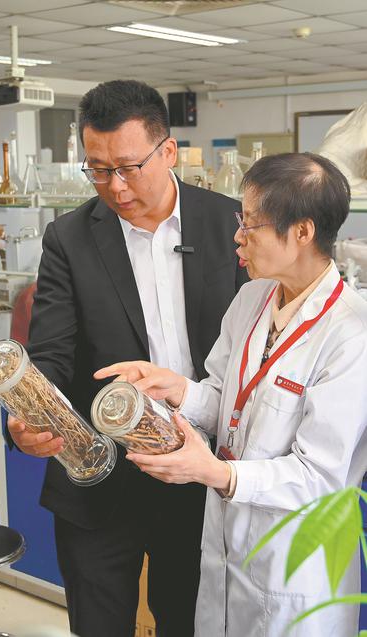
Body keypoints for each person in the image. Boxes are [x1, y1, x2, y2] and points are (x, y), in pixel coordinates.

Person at [7, 79, 248, 637]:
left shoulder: (230, 224)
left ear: (168, 152)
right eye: (96, 169)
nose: (113, 187)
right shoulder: (68, 237)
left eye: (128, 167)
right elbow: (50, 354)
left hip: (198, 466)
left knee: (190, 620)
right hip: (100, 472)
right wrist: (29, 417)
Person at [96, 153, 367, 636]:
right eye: (240, 221)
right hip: (226, 552)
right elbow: (227, 401)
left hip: (295, 567)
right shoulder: (251, 299)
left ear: (302, 232)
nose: (238, 237)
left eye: (252, 225)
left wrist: (217, 473)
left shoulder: (351, 335)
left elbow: (320, 475)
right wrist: (179, 389)